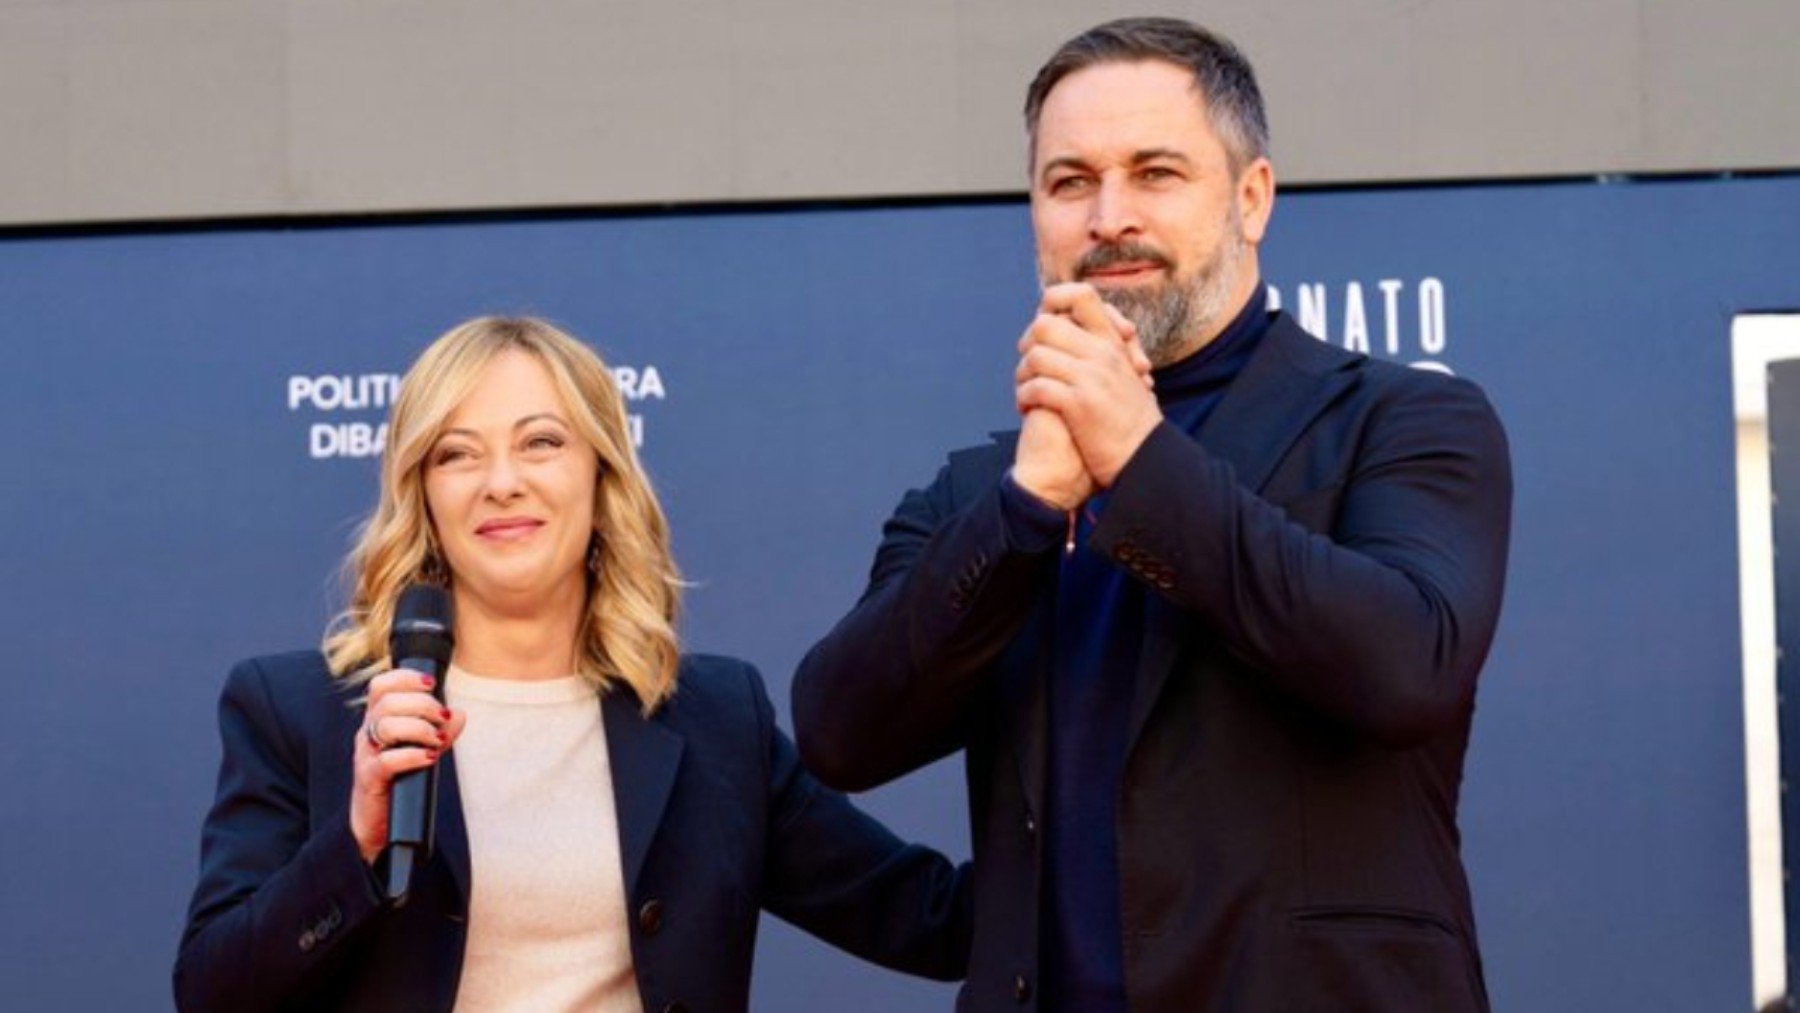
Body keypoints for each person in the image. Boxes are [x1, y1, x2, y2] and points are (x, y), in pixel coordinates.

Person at [792, 17, 1511, 1013]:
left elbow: (1404, 665)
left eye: (1156, 172)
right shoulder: (983, 492)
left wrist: (1137, 457)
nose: (1108, 215)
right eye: (1069, 181)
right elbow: (841, 728)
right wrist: (1024, 511)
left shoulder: (1404, 420)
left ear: (1251, 197)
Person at [175, 316, 971, 1012]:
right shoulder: (296, 709)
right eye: (457, 454)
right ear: (422, 495)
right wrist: (354, 843)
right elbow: (214, 991)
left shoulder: (717, 717)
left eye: (541, 442)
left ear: (602, 476)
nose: (502, 482)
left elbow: (928, 918)